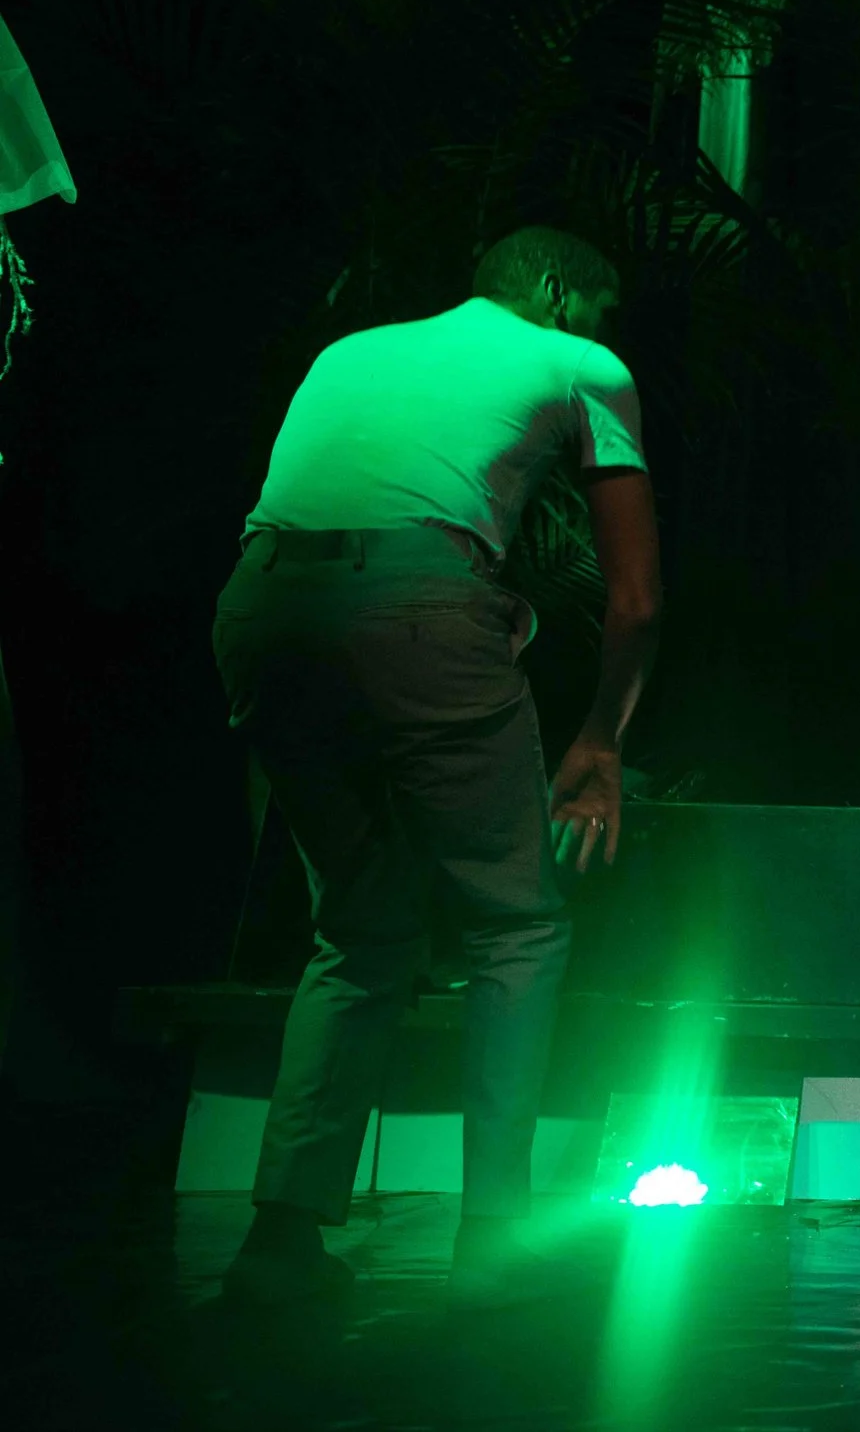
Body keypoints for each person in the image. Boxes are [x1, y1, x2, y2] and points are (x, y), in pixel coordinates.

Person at [215, 228, 661, 1307]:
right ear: (558, 292)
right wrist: (599, 741)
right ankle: (494, 1242)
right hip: (415, 607)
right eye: (599, 309)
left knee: (358, 928)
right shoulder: (581, 364)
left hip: (260, 604)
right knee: (515, 922)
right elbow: (635, 593)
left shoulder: (350, 351)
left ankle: (277, 1237)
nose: (605, 335)